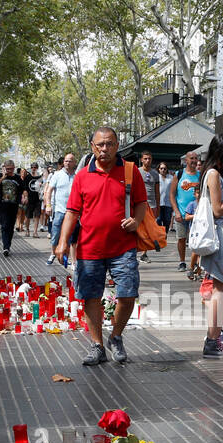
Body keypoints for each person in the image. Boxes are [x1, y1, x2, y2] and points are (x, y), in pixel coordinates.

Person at [55, 127, 149, 366]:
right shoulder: (82, 176)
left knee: (128, 295)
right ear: (92, 147)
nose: (104, 149)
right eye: (100, 145)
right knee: (91, 297)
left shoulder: (130, 171)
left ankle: (115, 336)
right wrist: (63, 242)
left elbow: (141, 203)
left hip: (123, 247)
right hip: (90, 249)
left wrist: (136, 220)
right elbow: (72, 212)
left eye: (109, 144)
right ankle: (97, 345)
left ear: (117, 145)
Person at [195, 133, 223, 358]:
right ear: (221, 152)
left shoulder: (214, 174)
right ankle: (213, 341)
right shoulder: (213, 174)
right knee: (219, 290)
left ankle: (214, 337)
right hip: (220, 237)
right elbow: (217, 210)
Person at [45, 154, 78, 267]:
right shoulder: (57, 175)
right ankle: (53, 253)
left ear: (74, 163)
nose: (68, 163)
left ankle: (66, 258)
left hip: (73, 212)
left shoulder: (77, 176)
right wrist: (48, 205)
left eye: (70, 161)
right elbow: (48, 191)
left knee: (70, 237)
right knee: (55, 235)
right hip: (59, 211)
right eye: (66, 161)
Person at [0, 160, 25, 256]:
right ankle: (6, 247)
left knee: (10, 227)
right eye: (7, 169)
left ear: (13, 168)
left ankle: (8, 245)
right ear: (4, 168)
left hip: (13, 206)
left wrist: (25, 197)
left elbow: (23, 189)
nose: (8, 170)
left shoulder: (17, 178)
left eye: (10, 169)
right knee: (4, 226)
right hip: (2, 206)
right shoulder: (0, 176)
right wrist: (3, 178)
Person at [174, 150, 201, 275]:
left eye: (196, 158)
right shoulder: (179, 174)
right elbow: (171, 194)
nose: (194, 160)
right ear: (186, 160)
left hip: (196, 214)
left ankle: (195, 262)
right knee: (182, 238)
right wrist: (176, 211)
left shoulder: (201, 175)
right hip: (181, 212)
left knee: (196, 239)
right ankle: (182, 261)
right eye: (192, 158)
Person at [137, 152, 161, 262]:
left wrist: (158, 206)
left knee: (148, 229)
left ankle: (144, 253)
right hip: (139, 203)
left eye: (150, 159)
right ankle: (135, 250)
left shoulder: (155, 174)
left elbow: (157, 191)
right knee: (138, 228)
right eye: (145, 159)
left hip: (151, 204)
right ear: (142, 160)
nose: (148, 161)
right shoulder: (137, 171)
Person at [24, 162, 43, 236]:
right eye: (32, 167)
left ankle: (35, 232)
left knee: (37, 216)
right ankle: (27, 230)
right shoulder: (28, 177)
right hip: (29, 199)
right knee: (28, 216)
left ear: (37, 168)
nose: (33, 168)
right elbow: (25, 188)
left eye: (35, 167)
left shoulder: (39, 177)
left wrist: (41, 185)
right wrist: (25, 197)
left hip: (37, 199)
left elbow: (44, 186)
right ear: (30, 168)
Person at [158, 160, 175, 234]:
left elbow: (174, 189)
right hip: (158, 202)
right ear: (159, 169)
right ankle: (158, 234)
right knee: (158, 220)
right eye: (161, 168)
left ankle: (164, 235)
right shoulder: (156, 177)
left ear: (167, 169)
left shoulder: (171, 178)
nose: (163, 170)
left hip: (168, 203)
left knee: (167, 220)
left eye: (164, 168)